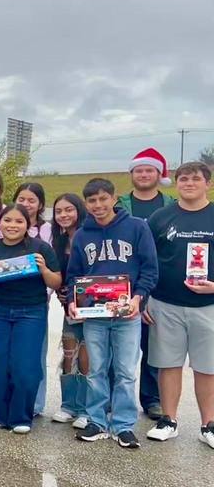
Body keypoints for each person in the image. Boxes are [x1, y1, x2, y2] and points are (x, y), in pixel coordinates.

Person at [67, 177, 158, 449]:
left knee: (125, 371)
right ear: (86, 203)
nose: (98, 205)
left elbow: (150, 269)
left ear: (114, 198)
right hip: (95, 315)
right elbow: (74, 276)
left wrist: (138, 299)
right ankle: (96, 420)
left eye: (103, 199)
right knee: (96, 370)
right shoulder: (83, 235)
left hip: (126, 313)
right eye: (92, 201)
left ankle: (123, 425)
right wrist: (74, 300)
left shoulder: (137, 227)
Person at [0, 204, 61, 433]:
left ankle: (21, 416)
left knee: (26, 366)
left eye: (19, 221)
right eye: (8, 221)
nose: (12, 225)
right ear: (0, 224)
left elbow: (56, 282)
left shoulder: (40, 249)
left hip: (30, 312)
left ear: (28, 224)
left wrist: (43, 269)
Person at [144, 162, 214, 448]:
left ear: (207, 183)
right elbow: (147, 261)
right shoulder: (161, 217)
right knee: (167, 364)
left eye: (195, 179)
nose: (188, 183)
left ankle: (208, 424)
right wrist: (145, 297)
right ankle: (169, 420)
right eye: (183, 179)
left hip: (208, 305)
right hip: (165, 303)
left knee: (207, 368)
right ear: (175, 183)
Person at [117, 147, 175, 421]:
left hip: (159, 288)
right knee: (117, 350)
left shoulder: (171, 207)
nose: (143, 174)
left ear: (159, 174)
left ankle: (152, 399)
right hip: (120, 287)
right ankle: (114, 398)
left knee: (154, 348)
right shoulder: (118, 205)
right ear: (131, 174)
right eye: (138, 170)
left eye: (148, 170)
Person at [50, 193, 90, 428]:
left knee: (87, 357)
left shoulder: (89, 237)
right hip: (69, 309)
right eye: (58, 211)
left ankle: (86, 408)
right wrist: (60, 292)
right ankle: (68, 405)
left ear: (79, 210)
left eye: (69, 210)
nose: (64, 215)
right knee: (68, 354)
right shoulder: (58, 241)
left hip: (92, 308)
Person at [13, 181, 52, 415]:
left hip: (35, 302)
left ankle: (35, 404)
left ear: (40, 205)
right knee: (5, 355)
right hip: (3, 301)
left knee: (34, 355)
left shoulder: (47, 231)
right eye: (21, 199)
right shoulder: (5, 224)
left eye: (31, 200)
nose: (26, 204)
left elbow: (53, 266)